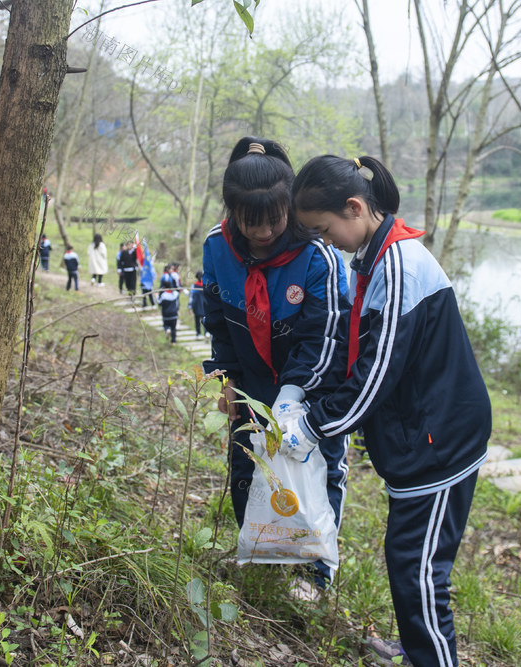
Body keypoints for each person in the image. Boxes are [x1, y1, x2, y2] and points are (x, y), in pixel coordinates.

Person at [281, 155, 492, 667]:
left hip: (440, 440)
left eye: (325, 230)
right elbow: (358, 350)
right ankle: (419, 650)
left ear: (354, 208)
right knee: (407, 559)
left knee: (419, 568)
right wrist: (302, 394)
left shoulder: (399, 266)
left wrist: (313, 425)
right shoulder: (374, 260)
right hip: (418, 436)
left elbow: (376, 375)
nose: (326, 242)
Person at [201, 137, 351, 589]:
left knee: (315, 468)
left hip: (311, 387)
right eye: (250, 222)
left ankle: (314, 570)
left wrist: (293, 397)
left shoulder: (315, 255)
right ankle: (260, 552)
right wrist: (224, 377)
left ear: (289, 206)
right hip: (250, 381)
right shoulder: (217, 247)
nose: (263, 232)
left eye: (274, 220)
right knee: (247, 464)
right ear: (232, 211)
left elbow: (324, 335)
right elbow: (217, 318)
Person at [157, 266, 180, 343]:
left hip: (166, 314)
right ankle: (173, 341)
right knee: (174, 328)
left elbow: (159, 303)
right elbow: (177, 303)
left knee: (166, 325)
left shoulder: (163, 295)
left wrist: (157, 296)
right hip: (174, 314)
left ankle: (167, 330)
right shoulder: (175, 294)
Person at [189, 270, 207, 338]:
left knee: (197, 320)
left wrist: (189, 307)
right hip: (204, 306)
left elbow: (191, 296)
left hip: (196, 305)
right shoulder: (205, 285)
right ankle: (206, 333)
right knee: (205, 320)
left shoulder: (193, 286)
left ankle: (198, 333)